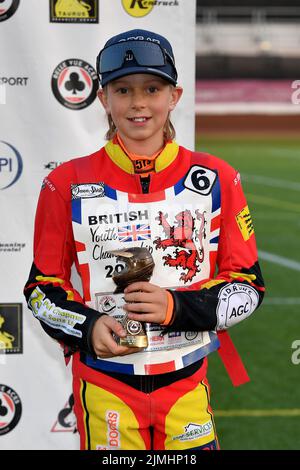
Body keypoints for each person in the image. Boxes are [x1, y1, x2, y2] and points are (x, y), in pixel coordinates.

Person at [24, 29, 265, 451]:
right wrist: (87, 325)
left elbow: (247, 286)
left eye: (152, 88)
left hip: (185, 383)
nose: (138, 103)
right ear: (103, 98)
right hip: (104, 384)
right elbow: (42, 290)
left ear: (175, 96)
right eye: (123, 89)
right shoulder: (64, 183)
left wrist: (177, 307)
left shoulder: (217, 179)